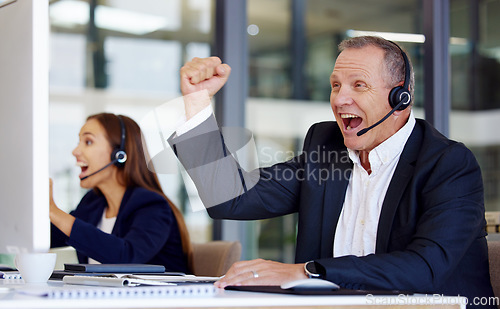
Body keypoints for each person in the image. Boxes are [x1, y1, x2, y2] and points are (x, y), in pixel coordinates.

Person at [169, 36, 496, 307]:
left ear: (400, 98)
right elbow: (230, 199)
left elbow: (424, 267)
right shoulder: (326, 148)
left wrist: (307, 272)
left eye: (359, 85)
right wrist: (197, 102)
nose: (341, 99)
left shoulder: (448, 164)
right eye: (335, 85)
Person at [50, 113, 191, 273]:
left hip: (154, 297)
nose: (75, 151)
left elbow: (126, 257)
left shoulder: (151, 205)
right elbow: (47, 236)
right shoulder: (93, 202)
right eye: (79, 142)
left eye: (88, 142)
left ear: (119, 154)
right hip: (104, 296)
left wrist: (53, 211)